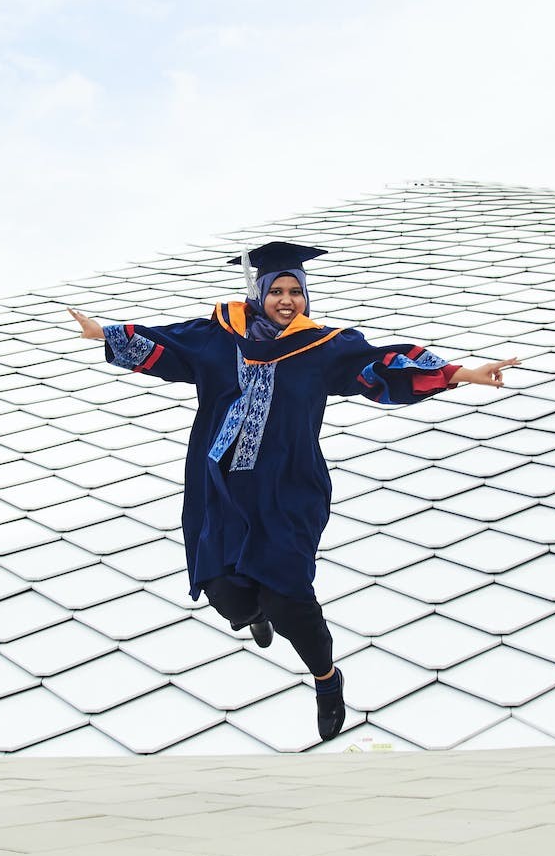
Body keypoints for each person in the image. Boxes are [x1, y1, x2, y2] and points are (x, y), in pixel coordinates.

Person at [68, 242, 518, 743]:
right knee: (227, 594)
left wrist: (460, 374)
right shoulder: (220, 337)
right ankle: (251, 614)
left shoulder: (324, 347)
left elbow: (380, 365)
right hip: (221, 486)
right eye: (276, 291)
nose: (287, 300)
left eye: (295, 292)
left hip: (288, 487)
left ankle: (327, 680)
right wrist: (105, 333)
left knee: (287, 600)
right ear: (258, 293)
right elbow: (167, 346)